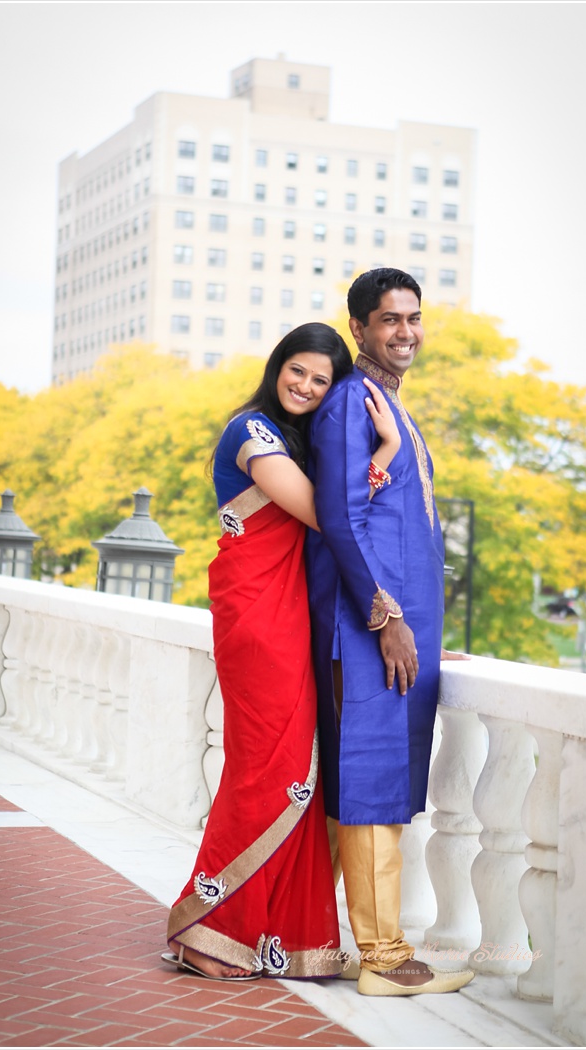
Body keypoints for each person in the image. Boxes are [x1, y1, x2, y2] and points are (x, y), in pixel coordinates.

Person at [164, 323, 401, 981]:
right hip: (256, 614)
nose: (305, 385)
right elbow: (330, 515)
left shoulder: (293, 441)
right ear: (278, 368)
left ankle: (277, 936)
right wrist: (385, 445)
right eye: (297, 371)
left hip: (291, 614)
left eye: (320, 380)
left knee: (298, 770)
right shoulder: (251, 432)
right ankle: (208, 930)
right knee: (265, 767)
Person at [306, 268, 472, 996]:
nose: (405, 332)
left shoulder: (388, 406)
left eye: (413, 318)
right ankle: (382, 959)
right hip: (367, 631)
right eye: (388, 320)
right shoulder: (350, 403)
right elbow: (341, 518)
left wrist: (425, 631)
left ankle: (325, 938)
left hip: (400, 635)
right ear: (359, 330)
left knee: (374, 787)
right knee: (370, 787)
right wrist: (389, 618)